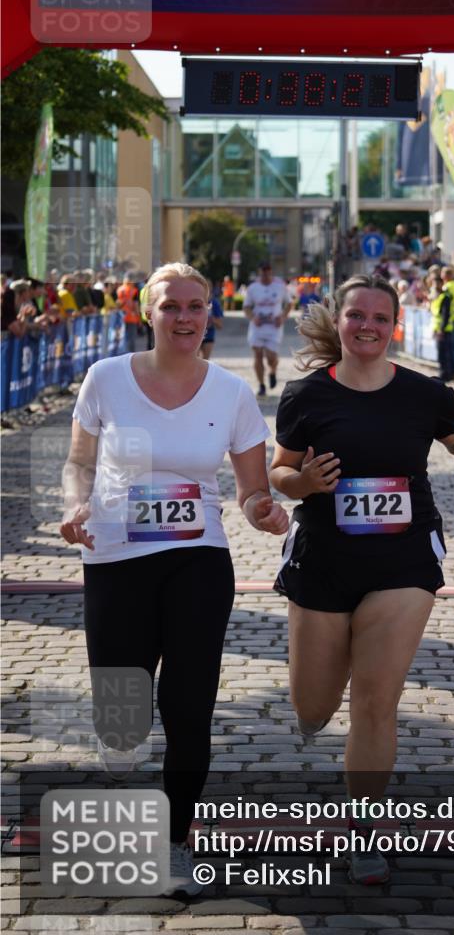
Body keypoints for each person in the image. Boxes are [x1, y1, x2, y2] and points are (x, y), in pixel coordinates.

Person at [59, 262, 288, 898]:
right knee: (122, 721)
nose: (184, 317)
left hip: (197, 560)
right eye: (171, 307)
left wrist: (263, 512)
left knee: (189, 708)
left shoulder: (231, 394)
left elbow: (250, 491)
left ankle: (175, 837)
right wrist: (76, 506)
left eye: (195, 306)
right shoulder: (106, 378)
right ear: (148, 313)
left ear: (210, 312)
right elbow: (78, 463)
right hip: (115, 560)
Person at [269, 275, 454, 885]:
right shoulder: (304, 395)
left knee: (375, 701)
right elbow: (279, 473)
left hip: (403, 561)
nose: (366, 326)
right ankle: (332, 658)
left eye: (379, 317)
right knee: (312, 709)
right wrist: (304, 483)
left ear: (395, 324)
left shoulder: (425, 394)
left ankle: (364, 832)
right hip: (323, 559)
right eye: (355, 315)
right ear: (338, 322)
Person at [243, 262, 290, 396]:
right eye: (263, 273)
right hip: (257, 327)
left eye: (268, 273)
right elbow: (246, 307)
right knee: (257, 355)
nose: (266, 276)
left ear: (271, 272)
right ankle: (261, 385)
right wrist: (253, 318)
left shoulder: (280, 286)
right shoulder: (253, 288)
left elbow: (290, 303)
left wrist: (283, 317)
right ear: (260, 273)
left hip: (274, 327)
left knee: (271, 357)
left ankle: (273, 371)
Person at [200, 288, 224, 359]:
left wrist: (211, 319)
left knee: (205, 360)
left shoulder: (214, 303)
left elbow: (220, 325)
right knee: (193, 360)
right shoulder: (190, 301)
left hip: (209, 335)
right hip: (194, 334)